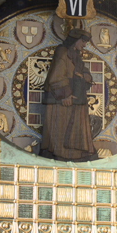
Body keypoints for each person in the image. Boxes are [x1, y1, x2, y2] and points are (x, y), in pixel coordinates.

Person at [40, 28, 97, 161]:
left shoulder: (76, 55)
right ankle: (61, 157)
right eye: (83, 41)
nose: (84, 45)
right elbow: (57, 75)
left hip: (76, 98)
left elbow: (84, 71)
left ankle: (77, 156)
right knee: (62, 127)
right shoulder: (63, 51)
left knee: (74, 129)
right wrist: (65, 95)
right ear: (75, 40)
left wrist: (86, 76)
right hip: (62, 100)